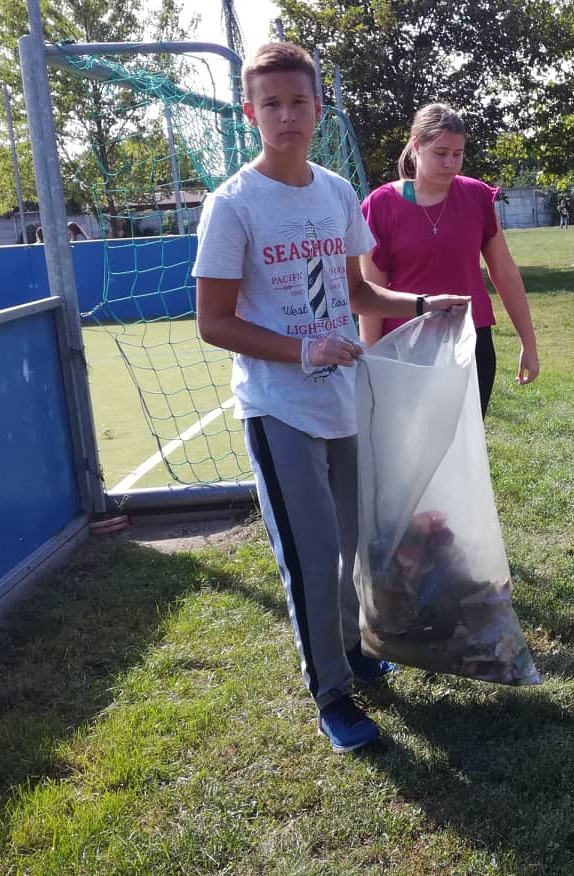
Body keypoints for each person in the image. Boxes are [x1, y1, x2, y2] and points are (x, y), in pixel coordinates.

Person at [193, 42, 465, 753]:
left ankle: (350, 648)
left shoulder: (337, 193)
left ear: (319, 109)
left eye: (298, 102)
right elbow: (212, 322)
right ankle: (331, 694)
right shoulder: (232, 205)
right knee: (312, 557)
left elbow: (355, 292)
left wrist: (421, 303)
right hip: (278, 406)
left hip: (343, 401)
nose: (286, 115)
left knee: (353, 545)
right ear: (250, 113)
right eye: (271, 104)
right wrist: (303, 350)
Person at [358, 103, 539, 417]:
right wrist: (370, 362)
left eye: (457, 154)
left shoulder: (476, 197)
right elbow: (371, 293)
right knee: (411, 444)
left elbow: (505, 272)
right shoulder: (382, 205)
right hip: (406, 345)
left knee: (468, 440)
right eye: (440, 153)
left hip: (470, 341)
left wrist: (528, 343)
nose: (450, 163)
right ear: (416, 146)